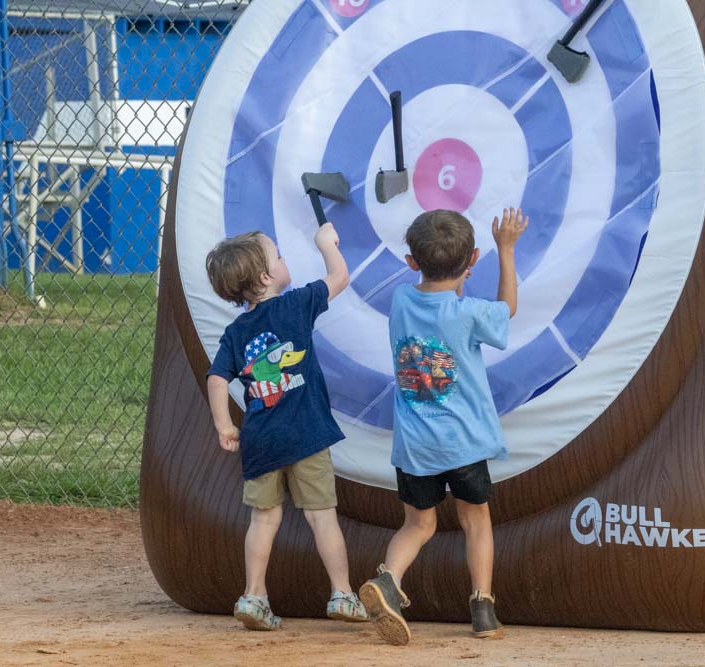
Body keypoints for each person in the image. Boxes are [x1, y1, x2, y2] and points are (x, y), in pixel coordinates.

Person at [358, 207, 529, 646]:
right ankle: (483, 608)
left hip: (415, 446)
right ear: (472, 260)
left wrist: (455, 275)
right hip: (463, 443)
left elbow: (433, 293)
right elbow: (507, 308)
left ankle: (388, 581)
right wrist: (507, 248)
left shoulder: (400, 300)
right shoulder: (468, 313)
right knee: (476, 521)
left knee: (418, 526)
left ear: (411, 261)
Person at [204, 225, 368, 630]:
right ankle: (342, 594)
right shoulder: (296, 305)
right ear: (265, 276)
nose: (283, 259)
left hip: (261, 439)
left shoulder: (236, 332)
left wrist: (225, 425)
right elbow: (340, 277)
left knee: (263, 519)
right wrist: (326, 244)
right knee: (322, 517)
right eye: (277, 256)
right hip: (307, 434)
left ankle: (254, 596)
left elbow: (217, 379)